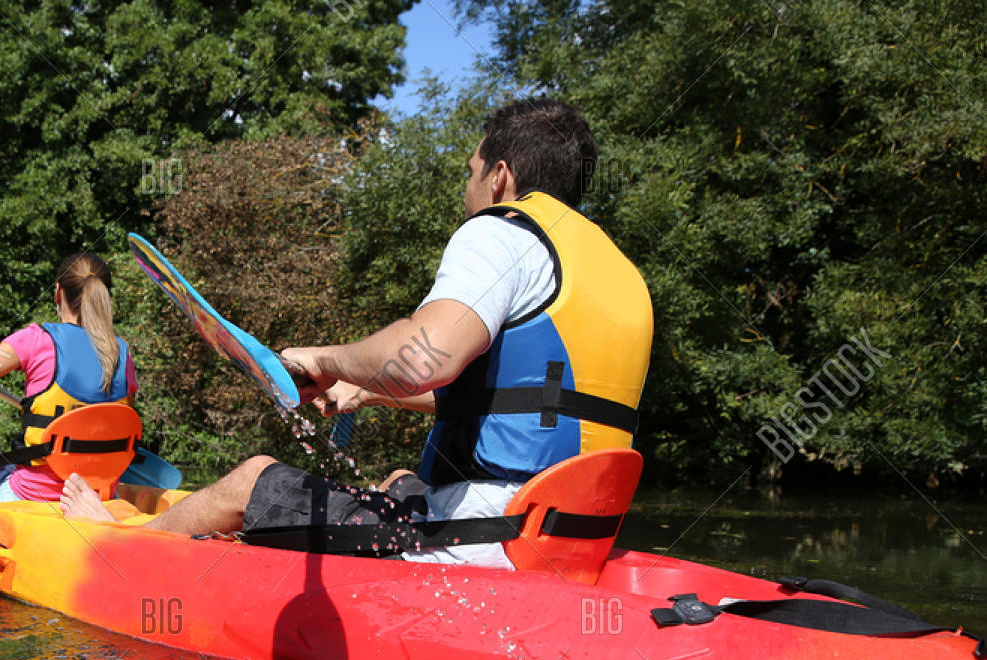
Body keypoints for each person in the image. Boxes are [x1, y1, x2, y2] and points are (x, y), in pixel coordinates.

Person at [60, 98, 653, 567]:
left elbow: (425, 359)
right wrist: (367, 389)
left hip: (486, 540)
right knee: (399, 479)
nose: (466, 191)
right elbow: (529, 405)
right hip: (567, 542)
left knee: (251, 477)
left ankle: (118, 543)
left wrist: (323, 358)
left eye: (470, 174)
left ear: (500, 176)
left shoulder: (501, 231)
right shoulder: (616, 271)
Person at [0, 251, 137, 501]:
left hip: (32, 493)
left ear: (58, 292)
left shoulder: (36, 340)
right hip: (99, 495)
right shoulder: (122, 352)